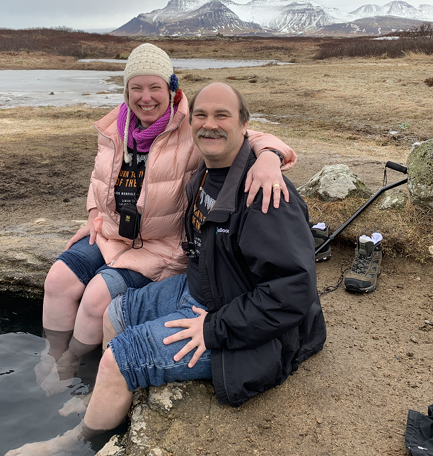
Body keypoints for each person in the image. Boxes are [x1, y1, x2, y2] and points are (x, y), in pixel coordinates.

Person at [5, 82, 325, 456]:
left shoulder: (266, 195)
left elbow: (293, 292)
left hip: (246, 328)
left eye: (222, 115)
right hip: (206, 289)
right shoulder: (206, 176)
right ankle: (102, 397)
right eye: (201, 116)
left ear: (245, 125)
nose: (209, 125)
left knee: (118, 360)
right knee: (115, 312)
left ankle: (74, 441)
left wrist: (213, 329)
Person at [36, 43, 298, 394]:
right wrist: (95, 213)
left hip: (159, 245)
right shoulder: (115, 126)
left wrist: (269, 158)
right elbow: (98, 178)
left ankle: (76, 364)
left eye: (155, 87)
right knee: (57, 280)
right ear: (126, 91)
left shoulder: (193, 125)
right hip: (113, 233)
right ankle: (53, 355)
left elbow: (249, 136)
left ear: (171, 89)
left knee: (97, 296)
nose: (146, 98)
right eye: (136, 88)